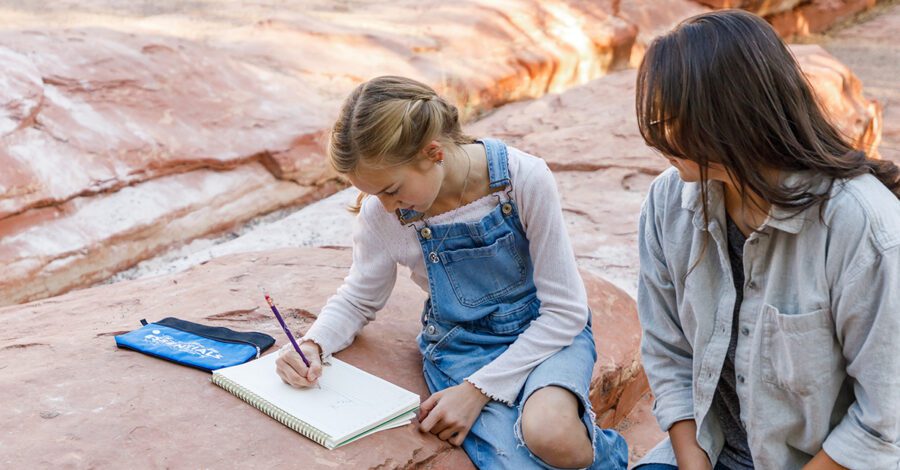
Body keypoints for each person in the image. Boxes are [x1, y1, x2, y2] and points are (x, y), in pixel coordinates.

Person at [275, 75, 628, 469]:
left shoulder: (522, 178)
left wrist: (477, 392)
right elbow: (359, 298)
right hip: (463, 349)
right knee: (512, 463)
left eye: (391, 190)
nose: (388, 206)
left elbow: (565, 311)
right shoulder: (382, 215)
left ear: (434, 152)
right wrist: (313, 344)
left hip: (545, 333)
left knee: (551, 434)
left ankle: (610, 457)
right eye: (375, 194)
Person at [632, 9, 900, 470]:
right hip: (709, 453)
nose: (657, 138)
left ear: (730, 115)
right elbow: (667, 350)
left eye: (668, 119)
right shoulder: (667, 202)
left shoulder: (864, 229)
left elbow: (883, 424)